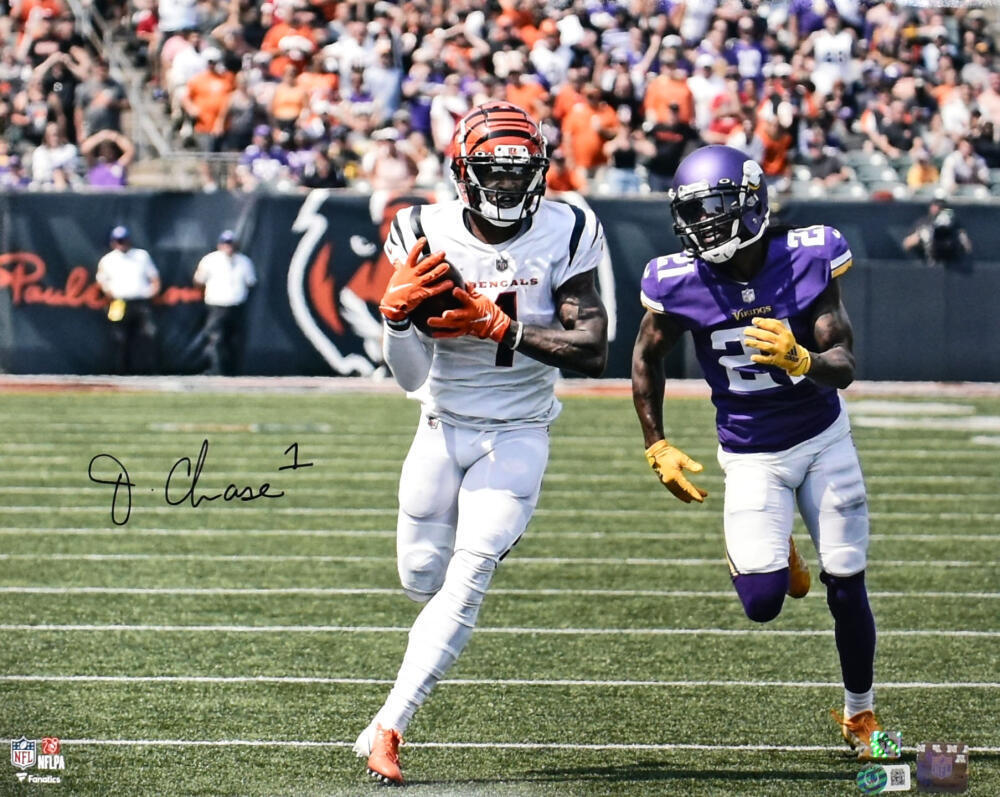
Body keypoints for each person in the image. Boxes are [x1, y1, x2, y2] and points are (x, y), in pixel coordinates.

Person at [353, 100, 609, 785]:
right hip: (441, 424)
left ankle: (389, 726)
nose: (505, 185)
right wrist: (395, 323)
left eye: (517, 172)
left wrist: (501, 327)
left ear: (540, 172)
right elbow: (411, 377)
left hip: (519, 431)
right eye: (492, 172)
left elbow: (592, 350)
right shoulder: (419, 229)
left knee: (468, 577)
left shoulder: (568, 226)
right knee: (420, 576)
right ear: (463, 173)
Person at [631, 145, 881, 760]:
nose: (702, 225)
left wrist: (804, 360)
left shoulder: (807, 257)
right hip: (750, 455)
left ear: (750, 202)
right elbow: (645, 357)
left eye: (714, 208)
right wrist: (656, 442)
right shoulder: (678, 280)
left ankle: (860, 713)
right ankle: (777, 550)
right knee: (763, 603)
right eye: (693, 212)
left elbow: (844, 364)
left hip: (822, 440)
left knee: (846, 581)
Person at [95, 225, 161, 374]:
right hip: (118, 302)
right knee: (118, 336)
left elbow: (154, 277)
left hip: (141, 302)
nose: (121, 244)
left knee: (149, 334)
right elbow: (101, 280)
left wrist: (153, 291)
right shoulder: (108, 260)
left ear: (129, 240)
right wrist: (109, 293)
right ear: (112, 242)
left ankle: (149, 370)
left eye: (123, 240)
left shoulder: (141, 256)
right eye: (118, 241)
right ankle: (120, 371)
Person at [192, 229, 257, 374]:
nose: (229, 247)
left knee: (235, 339)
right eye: (226, 243)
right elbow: (199, 281)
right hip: (217, 305)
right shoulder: (210, 260)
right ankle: (216, 370)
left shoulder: (244, 261)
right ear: (220, 245)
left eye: (231, 244)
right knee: (216, 338)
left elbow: (250, 282)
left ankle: (234, 371)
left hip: (237, 306)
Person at [902, 199, 972, 268]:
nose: (936, 209)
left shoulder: (955, 224)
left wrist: (959, 238)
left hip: (950, 260)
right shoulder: (923, 222)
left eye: (940, 207)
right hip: (926, 262)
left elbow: (967, 247)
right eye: (934, 206)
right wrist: (920, 236)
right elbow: (906, 244)